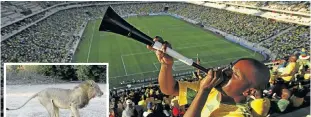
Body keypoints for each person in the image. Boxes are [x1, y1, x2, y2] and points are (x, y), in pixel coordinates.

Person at [147, 37, 271, 117]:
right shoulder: (213, 90)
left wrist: (203, 91)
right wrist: (166, 65)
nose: (226, 72)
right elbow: (169, 89)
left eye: (235, 74)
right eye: (230, 67)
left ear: (249, 91)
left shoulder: (238, 115)